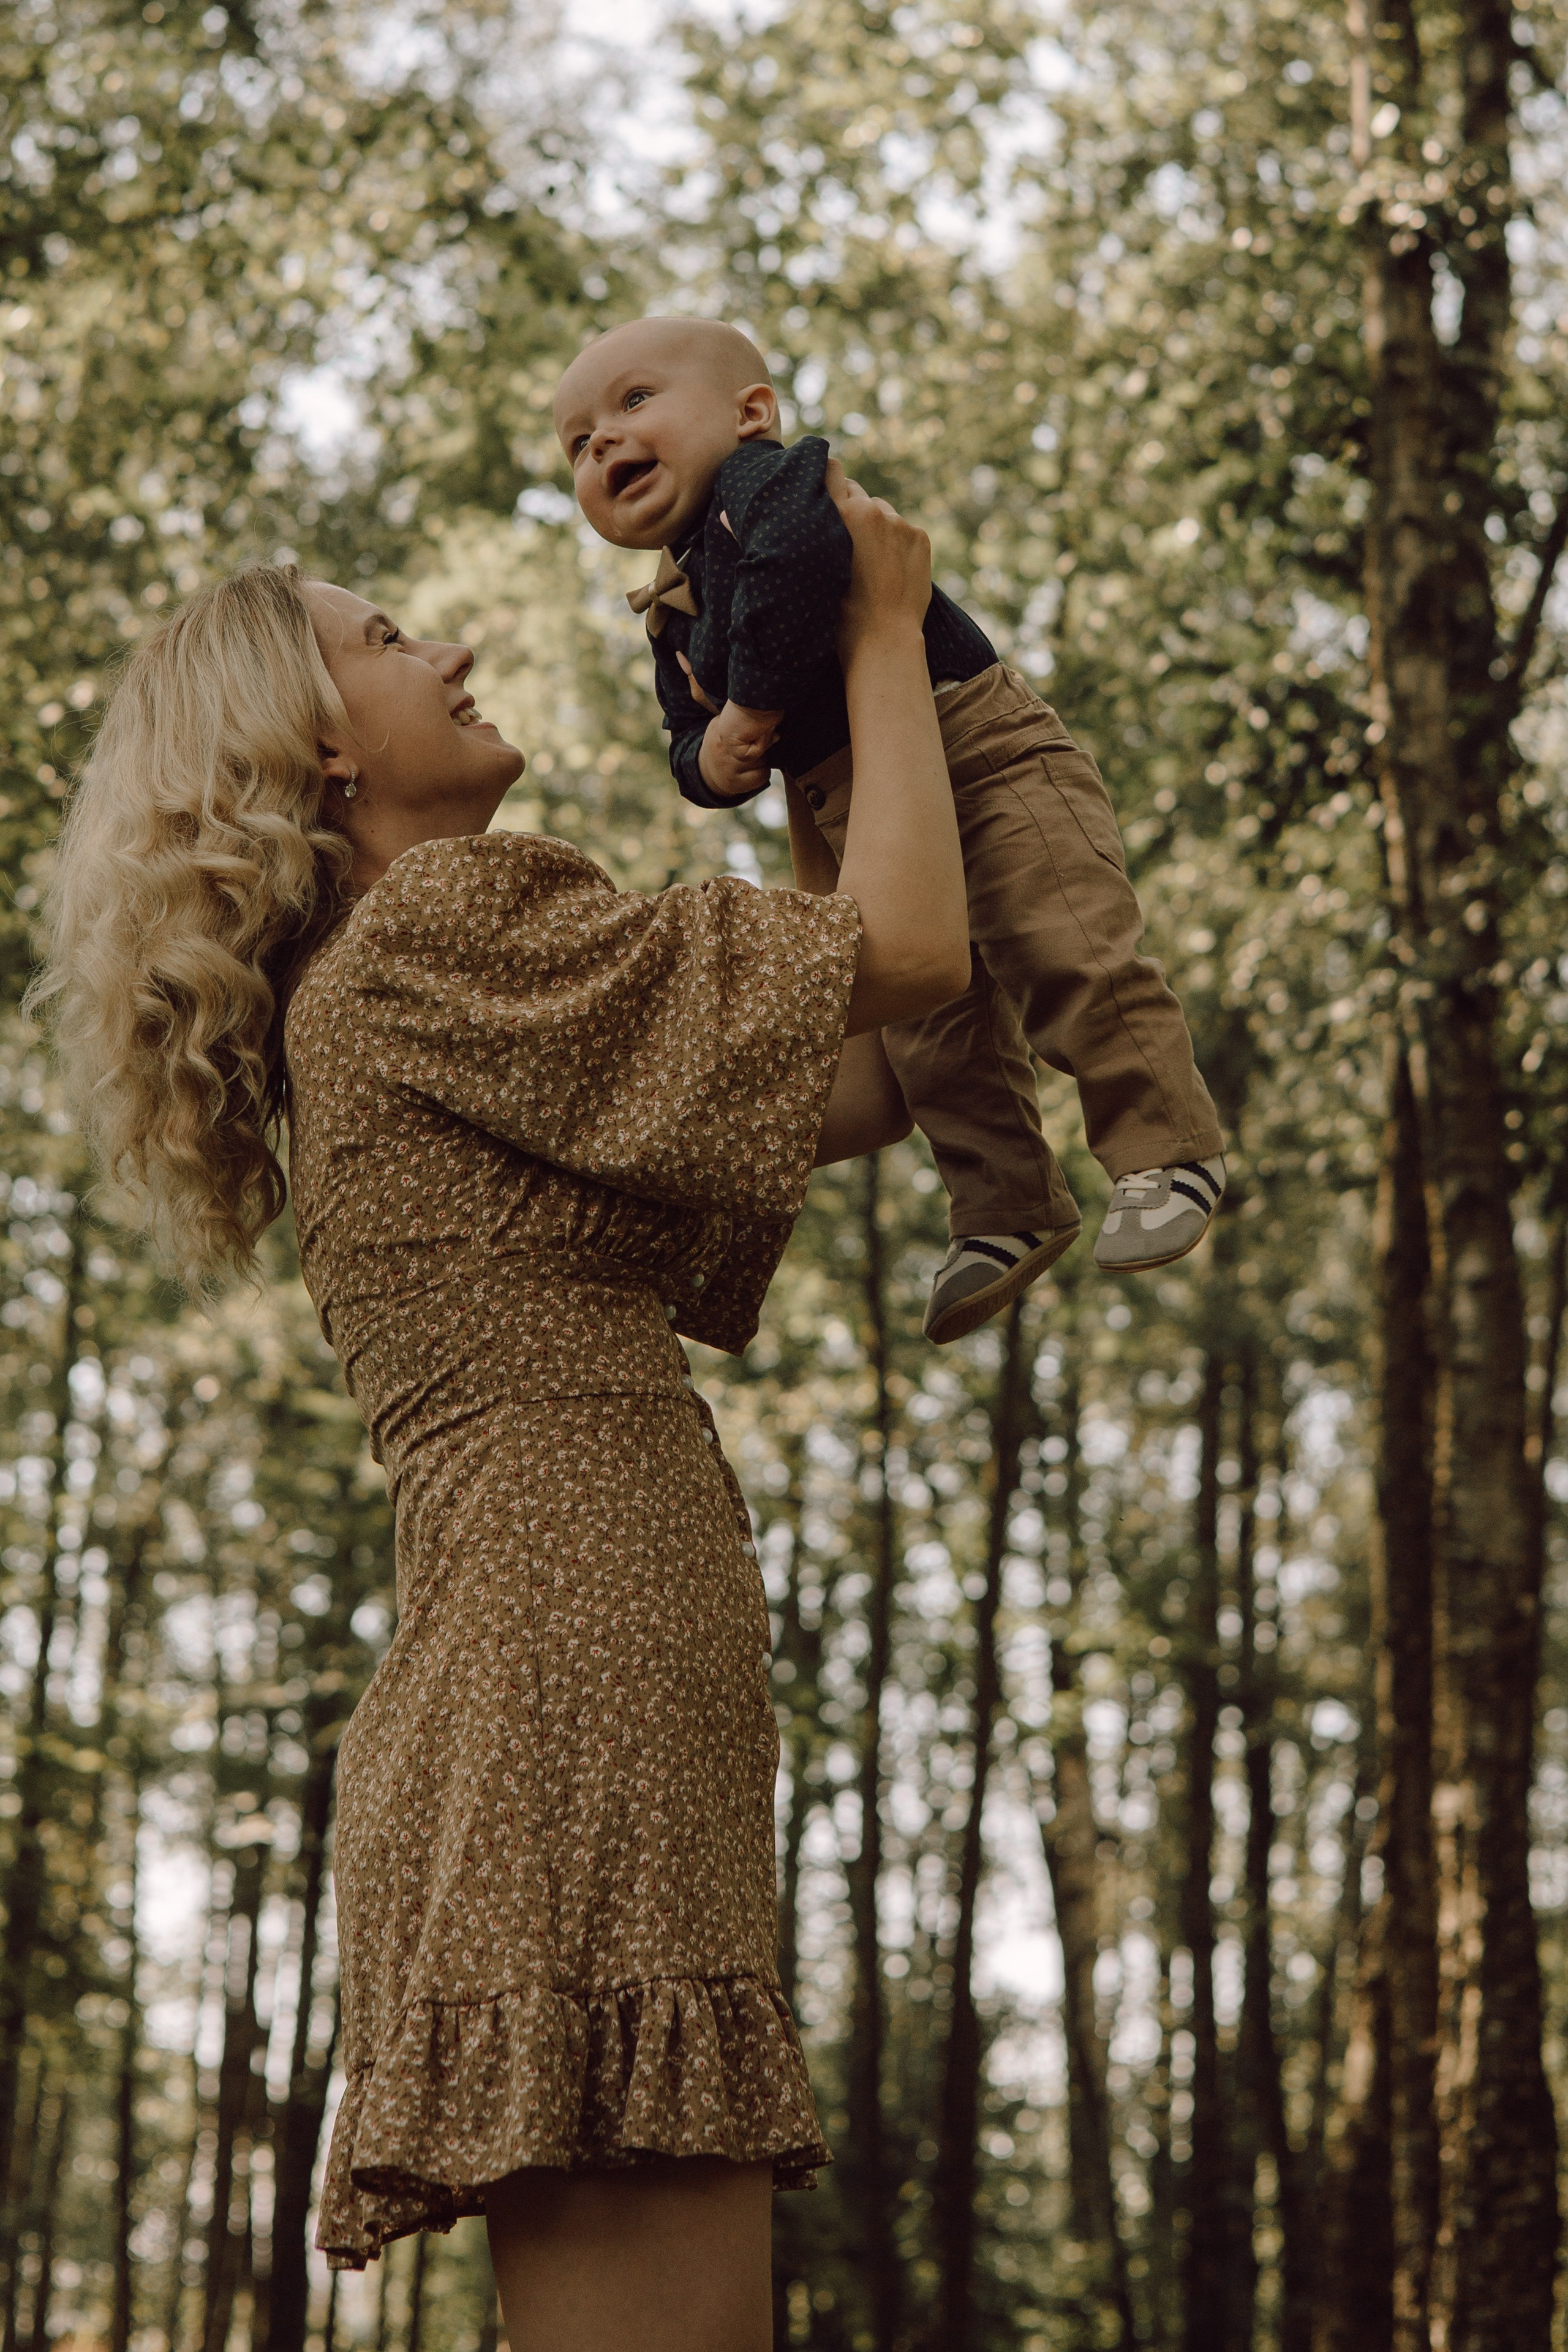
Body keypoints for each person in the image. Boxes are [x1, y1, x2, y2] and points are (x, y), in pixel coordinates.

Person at [28, 469, 968, 2352]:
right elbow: (919, 963)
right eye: (388, 639)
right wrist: (877, 636)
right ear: (317, 755)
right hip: (574, 1668)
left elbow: (851, 1076)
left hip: (567, 1661)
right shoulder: (440, 934)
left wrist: (806, 725)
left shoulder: (392, 989)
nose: (447, 646)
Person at [554, 316, 1227, 1346]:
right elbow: (682, 734)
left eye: (634, 402)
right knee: (928, 1025)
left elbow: (801, 572)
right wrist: (707, 761)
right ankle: (1003, 1207)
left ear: (751, 414)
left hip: (977, 747)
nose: (602, 441)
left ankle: (1162, 1147)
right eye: (576, 442)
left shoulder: (768, 489)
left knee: (1066, 946)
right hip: (852, 799)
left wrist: (749, 709)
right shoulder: (672, 605)